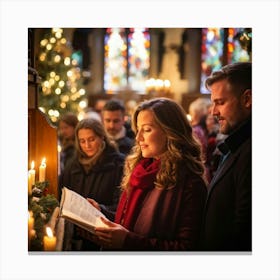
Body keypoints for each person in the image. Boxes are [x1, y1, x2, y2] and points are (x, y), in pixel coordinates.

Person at [81, 97, 207, 251]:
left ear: (170, 131)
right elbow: (128, 222)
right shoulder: (139, 170)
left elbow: (185, 248)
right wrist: (101, 212)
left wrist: (128, 241)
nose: (138, 137)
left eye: (147, 130)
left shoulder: (189, 183)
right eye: (138, 129)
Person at [200, 62, 252, 251]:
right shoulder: (236, 145)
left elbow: (244, 232)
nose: (214, 112)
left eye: (220, 102)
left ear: (247, 99)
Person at [58, 118, 125, 251]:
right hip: (76, 234)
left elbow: (121, 205)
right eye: (82, 141)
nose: (87, 145)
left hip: (102, 236)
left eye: (92, 139)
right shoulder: (73, 164)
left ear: (102, 137)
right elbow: (61, 193)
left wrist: (100, 208)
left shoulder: (118, 164)